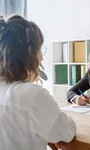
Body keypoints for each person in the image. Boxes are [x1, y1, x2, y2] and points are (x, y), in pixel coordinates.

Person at [0, 15, 76, 150]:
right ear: (29, 54)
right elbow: (66, 132)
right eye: (40, 49)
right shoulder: (32, 95)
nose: (41, 57)